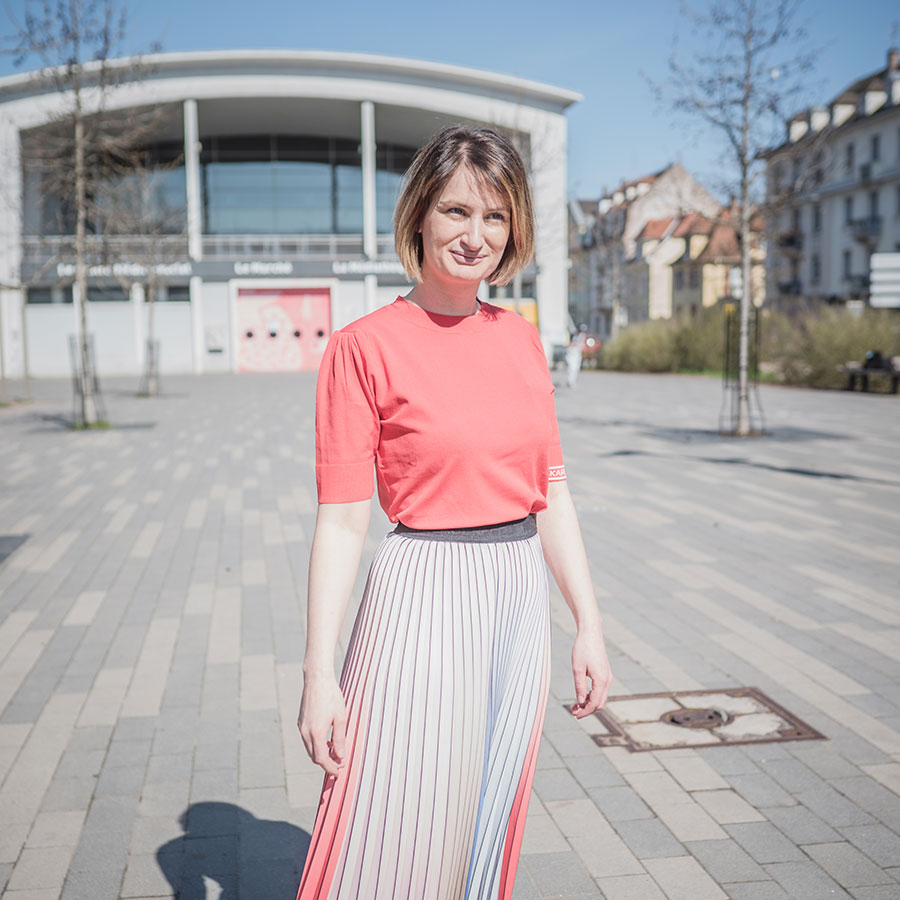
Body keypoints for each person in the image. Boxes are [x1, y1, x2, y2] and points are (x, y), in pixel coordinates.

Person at [295, 125, 612, 900]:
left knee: (485, 819)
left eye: (496, 217)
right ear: (420, 218)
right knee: (393, 827)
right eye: (457, 212)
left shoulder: (522, 341)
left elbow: (553, 493)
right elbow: (340, 523)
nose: (476, 236)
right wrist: (318, 672)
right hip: (423, 594)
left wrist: (590, 625)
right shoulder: (362, 347)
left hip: (516, 598)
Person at [566, 324, 588, 388]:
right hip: (572, 352)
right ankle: (570, 381)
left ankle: (572, 381)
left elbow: (583, 345)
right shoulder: (573, 334)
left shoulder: (583, 335)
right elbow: (569, 343)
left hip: (577, 352)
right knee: (572, 367)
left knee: (576, 368)